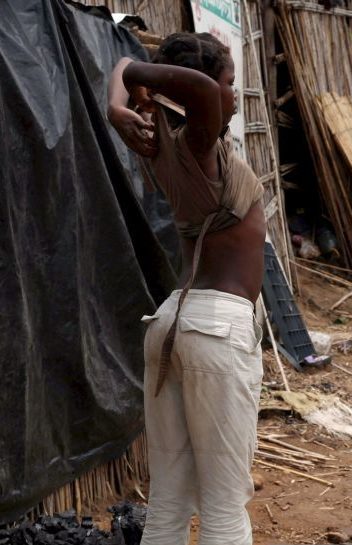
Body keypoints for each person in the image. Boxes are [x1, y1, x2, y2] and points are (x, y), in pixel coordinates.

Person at [107, 33, 265, 545]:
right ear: (204, 94)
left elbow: (127, 64)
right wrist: (140, 91)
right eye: (229, 84)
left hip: (174, 324)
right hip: (217, 333)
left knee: (168, 505)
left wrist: (118, 103)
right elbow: (193, 87)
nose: (234, 96)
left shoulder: (162, 148)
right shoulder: (196, 144)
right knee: (224, 510)